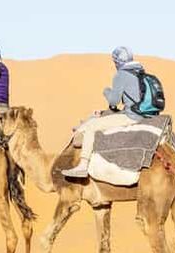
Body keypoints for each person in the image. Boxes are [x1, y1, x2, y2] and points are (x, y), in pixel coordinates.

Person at [61, 46, 146, 178]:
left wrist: (106, 91)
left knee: (91, 126)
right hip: (143, 113)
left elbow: (114, 100)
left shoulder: (121, 74)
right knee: (101, 116)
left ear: (117, 61)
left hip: (132, 116)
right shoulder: (140, 72)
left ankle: (83, 165)